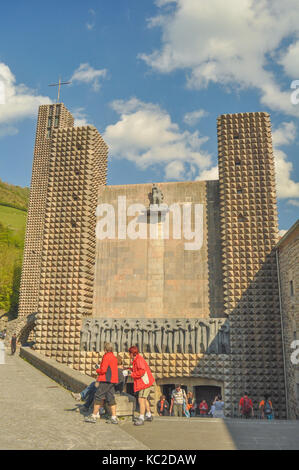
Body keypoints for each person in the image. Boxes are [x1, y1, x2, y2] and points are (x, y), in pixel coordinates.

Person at [85, 342, 119, 424]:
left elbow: (103, 370)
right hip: (113, 380)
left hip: (106, 379)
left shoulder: (106, 356)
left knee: (98, 396)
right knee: (110, 397)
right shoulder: (114, 357)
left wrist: (97, 370)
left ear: (105, 349)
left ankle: (93, 416)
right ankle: (114, 417)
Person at [128, 345, 155, 426]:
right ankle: (149, 414)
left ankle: (141, 417)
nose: (129, 355)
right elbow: (137, 370)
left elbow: (141, 371)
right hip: (146, 381)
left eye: (129, 353)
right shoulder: (137, 359)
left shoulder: (138, 360)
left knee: (141, 399)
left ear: (132, 353)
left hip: (144, 382)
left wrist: (132, 374)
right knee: (144, 398)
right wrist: (129, 370)